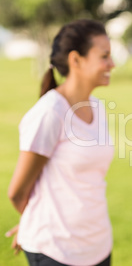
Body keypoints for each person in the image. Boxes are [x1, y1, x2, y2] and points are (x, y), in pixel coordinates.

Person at [6, 19, 115, 266]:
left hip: (97, 246)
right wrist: (32, 220)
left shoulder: (98, 108)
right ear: (76, 60)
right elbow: (17, 192)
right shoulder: (50, 113)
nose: (112, 64)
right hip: (55, 251)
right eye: (104, 56)